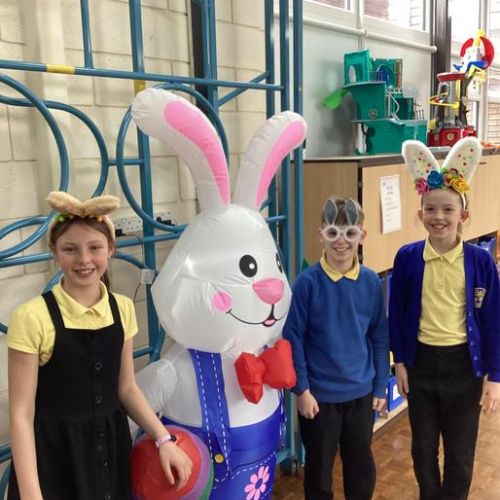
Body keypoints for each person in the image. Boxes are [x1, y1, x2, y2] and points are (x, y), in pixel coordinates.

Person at [7, 191, 193, 500]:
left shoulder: (122, 308)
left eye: (94, 247)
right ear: (54, 252)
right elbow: (21, 414)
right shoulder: (32, 317)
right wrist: (30, 493)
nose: (84, 260)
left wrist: (163, 440)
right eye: (70, 249)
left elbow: (126, 388)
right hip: (55, 459)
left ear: (111, 249)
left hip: (109, 451)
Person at [389, 137, 500, 500]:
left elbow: (493, 321)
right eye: (431, 209)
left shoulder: (480, 261)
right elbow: (396, 314)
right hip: (421, 366)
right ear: (420, 213)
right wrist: (399, 362)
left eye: (448, 210)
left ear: (463, 216)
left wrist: (495, 377)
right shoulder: (407, 258)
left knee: (460, 455)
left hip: (464, 368)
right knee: (422, 451)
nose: (439, 217)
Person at [283, 196, 390, 500]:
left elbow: (379, 336)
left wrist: (380, 385)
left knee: (360, 466)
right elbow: (293, 338)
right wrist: (302, 391)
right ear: (321, 235)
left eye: (350, 233)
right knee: (318, 472)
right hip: (319, 398)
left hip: (361, 395)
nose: (341, 241)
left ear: (362, 235)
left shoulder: (370, 281)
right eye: (333, 233)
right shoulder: (307, 283)